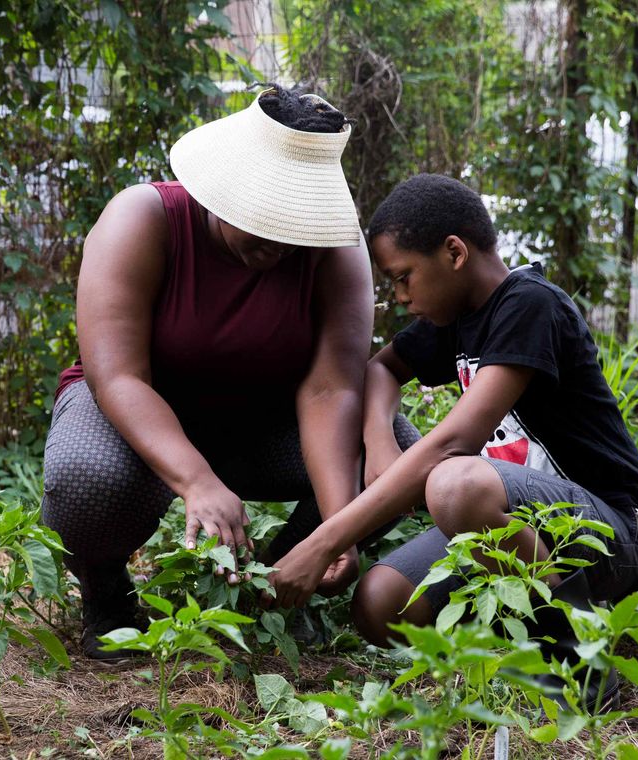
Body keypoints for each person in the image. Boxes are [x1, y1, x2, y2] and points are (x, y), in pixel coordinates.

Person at [41, 85, 418, 660]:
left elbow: (331, 388)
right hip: (140, 415)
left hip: (260, 427)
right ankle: (107, 593)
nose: (275, 243)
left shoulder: (333, 253)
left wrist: (336, 528)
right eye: (261, 220)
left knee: (394, 452)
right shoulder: (144, 219)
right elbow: (116, 375)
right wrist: (196, 481)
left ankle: (276, 591)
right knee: (84, 476)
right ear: (219, 193)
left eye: (291, 226)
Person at [266, 174, 638, 710]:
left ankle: (577, 654)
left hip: (608, 535)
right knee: (381, 605)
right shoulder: (454, 319)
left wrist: (323, 542)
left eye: (404, 277)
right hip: (521, 529)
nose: (402, 297)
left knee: (453, 486)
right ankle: (512, 635)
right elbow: (382, 370)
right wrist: (381, 441)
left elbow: (452, 442)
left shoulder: (530, 304)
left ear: (454, 252)